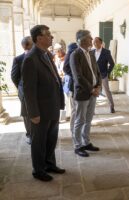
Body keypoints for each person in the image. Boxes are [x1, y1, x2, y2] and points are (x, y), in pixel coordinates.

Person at [22, 25, 65, 181]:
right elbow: (28, 90)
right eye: (48, 34)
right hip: (40, 110)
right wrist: (33, 113)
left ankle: (49, 164)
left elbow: (54, 78)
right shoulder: (31, 59)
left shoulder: (46, 54)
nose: (51, 37)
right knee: (39, 142)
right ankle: (38, 170)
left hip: (52, 106)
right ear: (39, 38)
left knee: (51, 139)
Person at [70, 30, 101, 157]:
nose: (92, 39)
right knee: (80, 119)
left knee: (88, 119)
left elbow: (97, 71)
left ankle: (86, 142)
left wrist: (98, 86)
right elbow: (78, 76)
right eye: (89, 38)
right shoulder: (75, 55)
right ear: (82, 40)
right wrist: (91, 89)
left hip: (94, 91)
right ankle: (78, 146)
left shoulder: (91, 53)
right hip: (83, 92)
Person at [11, 36, 33, 145]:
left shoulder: (39, 57)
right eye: (32, 43)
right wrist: (21, 88)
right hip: (24, 91)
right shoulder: (18, 59)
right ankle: (29, 134)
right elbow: (14, 77)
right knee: (27, 114)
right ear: (26, 45)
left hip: (38, 92)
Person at [92, 37, 115, 113]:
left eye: (97, 42)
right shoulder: (91, 52)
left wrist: (108, 72)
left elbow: (112, 64)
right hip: (94, 76)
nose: (95, 43)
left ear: (101, 43)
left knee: (107, 91)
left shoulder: (106, 52)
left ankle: (112, 106)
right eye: (94, 42)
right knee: (94, 91)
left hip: (103, 74)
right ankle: (93, 110)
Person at [63, 42, 78, 135]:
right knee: (74, 109)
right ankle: (73, 129)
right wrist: (75, 75)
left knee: (76, 109)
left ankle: (76, 128)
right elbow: (65, 68)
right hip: (73, 86)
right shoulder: (70, 55)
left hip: (76, 85)